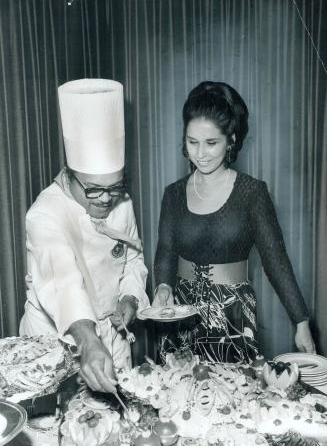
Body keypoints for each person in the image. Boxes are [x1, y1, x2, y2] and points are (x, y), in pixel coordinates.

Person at [153, 81, 315, 363]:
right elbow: (166, 251)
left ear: (231, 139)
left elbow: (275, 260)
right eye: (192, 142)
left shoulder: (252, 193)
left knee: (233, 399)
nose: (200, 153)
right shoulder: (173, 194)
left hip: (232, 316)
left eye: (211, 143)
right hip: (181, 314)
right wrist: (164, 287)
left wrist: (300, 321)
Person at [20, 79, 149, 392]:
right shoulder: (45, 213)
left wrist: (130, 295)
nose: (106, 199)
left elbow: (133, 256)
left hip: (112, 335)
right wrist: (88, 339)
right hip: (55, 339)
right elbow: (63, 280)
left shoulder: (123, 202)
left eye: (114, 187)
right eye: (93, 189)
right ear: (70, 175)